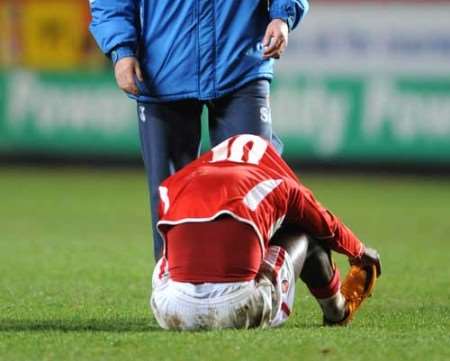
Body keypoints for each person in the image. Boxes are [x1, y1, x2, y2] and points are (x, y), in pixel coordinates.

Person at [89, 0, 310, 259]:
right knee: (170, 199)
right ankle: (172, 285)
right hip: (163, 69)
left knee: (254, 189)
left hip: (241, 61)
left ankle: (255, 281)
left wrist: (283, 14)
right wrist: (120, 49)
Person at [150, 134, 382, 330]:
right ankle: (338, 310)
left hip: (170, 310)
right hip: (239, 307)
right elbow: (326, 226)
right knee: (306, 233)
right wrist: (359, 250)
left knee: (169, 257)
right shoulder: (276, 181)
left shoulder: (173, 183)